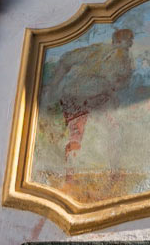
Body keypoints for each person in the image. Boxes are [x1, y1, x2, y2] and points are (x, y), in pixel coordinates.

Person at [49, 27, 136, 156]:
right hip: (88, 98)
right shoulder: (119, 56)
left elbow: (67, 59)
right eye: (129, 38)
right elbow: (116, 84)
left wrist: (54, 85)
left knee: (79, 134)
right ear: (119, 40)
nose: (131, 42)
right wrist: (53, 86)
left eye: (131, 39)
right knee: (108, 131)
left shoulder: (99, 50)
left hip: (75, 98)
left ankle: (72, 166)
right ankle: (109, 168)